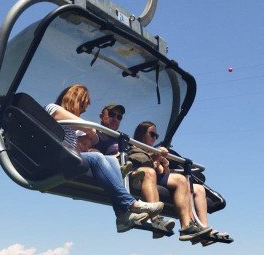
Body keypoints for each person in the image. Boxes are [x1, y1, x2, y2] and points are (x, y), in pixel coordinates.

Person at [45, 86, 163, 233]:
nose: (83, 111)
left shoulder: (76, 127)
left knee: (112, 161)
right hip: (56, 156)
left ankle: (123, 217)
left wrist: (89, 135)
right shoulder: (52, 108)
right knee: (97, 157)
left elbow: (92, 139)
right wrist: (89, 130)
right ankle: (131, 203)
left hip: (72, 156)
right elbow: (87, 130)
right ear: (75, 100)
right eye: (82, 106)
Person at [132, 121, 220, 242]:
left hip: (158, 177)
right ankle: (186, 226)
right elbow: (143, 165)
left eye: (156, 136)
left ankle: (203, 228)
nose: (154, 138)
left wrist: (165, 165)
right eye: (152, 134)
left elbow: (163, 173)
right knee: (180, 179)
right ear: (142, 134)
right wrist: (155, 155)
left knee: (199, 188)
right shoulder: (135, 147)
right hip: (145, 176)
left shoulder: (154, 151)